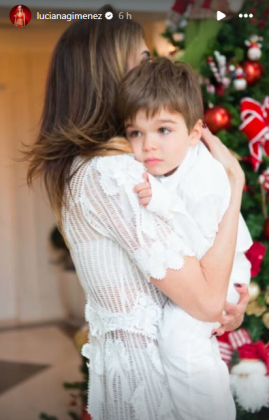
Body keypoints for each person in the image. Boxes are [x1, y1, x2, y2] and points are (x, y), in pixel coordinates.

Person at [23, 7, 249, 420]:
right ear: (108, 77)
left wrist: (228, 299)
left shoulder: (87, 168)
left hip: (131, 377)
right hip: (157, 385)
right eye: (141, 62)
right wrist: (234, 188)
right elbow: (204, 300)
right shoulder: (114, 172)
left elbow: (200, 289)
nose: (151, 74)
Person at [116, 57, 253, 419]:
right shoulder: (160, 167)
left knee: (181, 338)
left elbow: (199, 249)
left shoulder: (205, 180)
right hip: (200, 271)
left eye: (163, 130)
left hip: (220, 271)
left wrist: (161, 203)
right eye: (136, 133)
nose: (148, 146)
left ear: (194, 134)